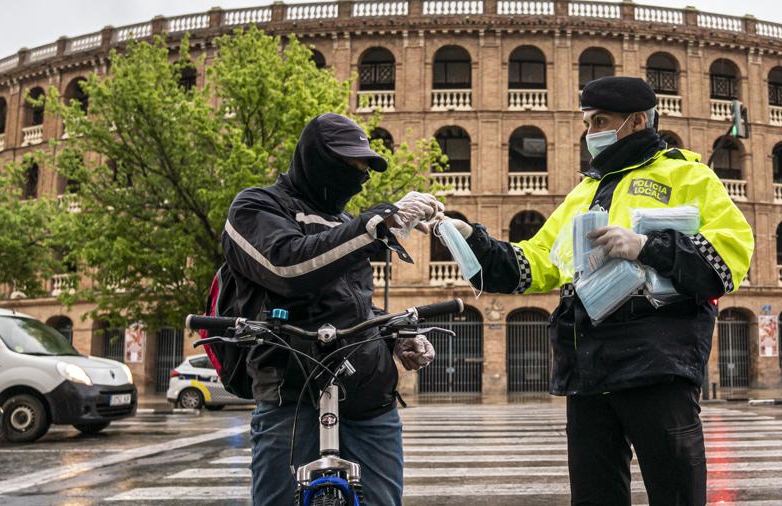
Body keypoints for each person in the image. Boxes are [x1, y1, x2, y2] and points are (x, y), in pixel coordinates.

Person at [440, 76, 754, 506]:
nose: (591, 134)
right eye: (587, 123)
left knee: (676, 493)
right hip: (588, 368)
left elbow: (732, 254)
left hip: (656, 364)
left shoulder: (687, 174)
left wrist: (648, 246)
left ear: (637, 121)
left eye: (600, 121)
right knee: (593, 497)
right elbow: (537, 263)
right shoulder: (584, 191)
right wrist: (470, 239)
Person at [221, 112, 442, 506]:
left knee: (382, 500)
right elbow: (286, 267)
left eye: (364, 168)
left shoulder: (346, 223)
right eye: (349, 165)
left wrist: (396, 334)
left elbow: (353, 305)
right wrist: (375, 225)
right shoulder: (255, 207)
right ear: (314, 158)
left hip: (368, 389)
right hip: (292, 387)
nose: (358, 177)